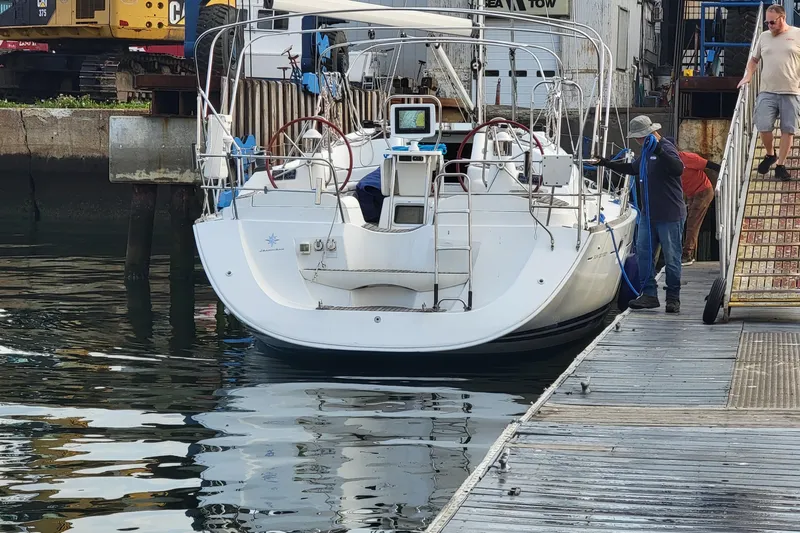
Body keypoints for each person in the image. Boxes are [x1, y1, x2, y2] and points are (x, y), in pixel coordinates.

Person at [594, 115, 685, 313]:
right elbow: (632, 169)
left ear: (650, 134)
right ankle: (649, 295)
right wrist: (607, 163)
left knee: (672, 258)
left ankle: (673, 298)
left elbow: (678, 169)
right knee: (644, 254)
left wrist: (659, 151)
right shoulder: (644, 153)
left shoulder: (666, 148)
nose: (637, 140)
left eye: (639, 137)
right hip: (648, 215)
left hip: (669, 215)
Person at [738, 4, 800, 181]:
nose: (769, 26)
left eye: (773, 22)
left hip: (791, 90)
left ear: (783, 18)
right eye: (767, 22)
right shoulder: (764, 37)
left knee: (788, 129)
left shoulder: (797, 34)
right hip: (767, 90)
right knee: (763, 125)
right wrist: (748, 76)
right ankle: (770, 154)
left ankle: (780, 165)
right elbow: (754, 60)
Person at [674, 143, 720, 266]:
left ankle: (687, 254)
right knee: (687, 221)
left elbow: (711, 165)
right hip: (691, 194)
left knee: (693, 222)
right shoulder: (668, 163)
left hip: (703, 191)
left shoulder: (688, 158)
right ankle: (687, 252)